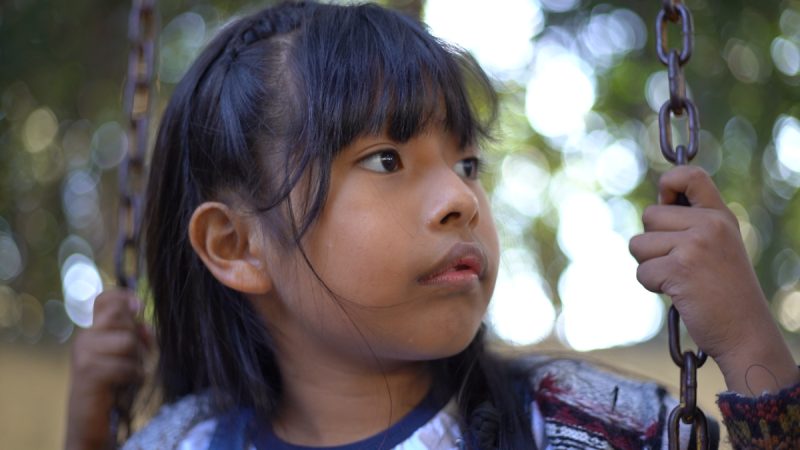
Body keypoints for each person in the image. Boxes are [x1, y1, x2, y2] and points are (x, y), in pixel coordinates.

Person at [66, 1, 799, 449]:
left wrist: (747, 344)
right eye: (387, 160)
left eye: (469, 164)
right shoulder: (183, 442)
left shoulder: (585, 428)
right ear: (236, 245)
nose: (461, 198)